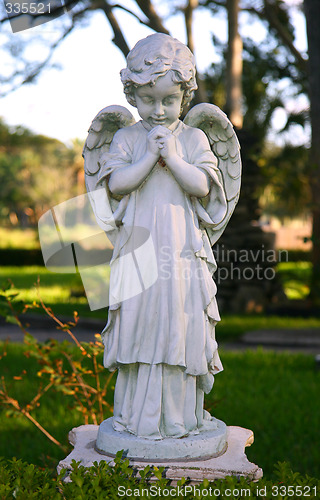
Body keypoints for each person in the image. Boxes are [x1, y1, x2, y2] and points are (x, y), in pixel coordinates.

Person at [97, 33, 228, 439]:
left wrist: (172, 156)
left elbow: (204, 186)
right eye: (148, 100)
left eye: (169, 100)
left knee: (178, 324)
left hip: (181, 254)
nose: (158, 110)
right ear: (132, 95)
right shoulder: (127, 138)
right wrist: (150, 155)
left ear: (184, 98)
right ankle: (137, 417)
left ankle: (179, 418)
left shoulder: (192, 139)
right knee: (141, 325)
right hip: (138, 252)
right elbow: (115, 185)